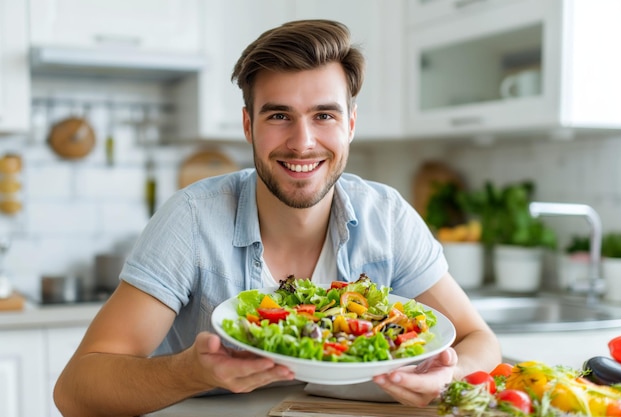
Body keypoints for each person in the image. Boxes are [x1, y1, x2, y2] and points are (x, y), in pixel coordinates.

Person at [54, 19, 500, 416]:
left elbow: (479, 341)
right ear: (248, 126)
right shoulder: (191, 219)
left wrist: (450, 375)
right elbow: (76, 392)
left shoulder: (387, 217)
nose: (302, 142)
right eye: (279, 115)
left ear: (350, 124)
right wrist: (192, 371)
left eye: (324, 115)